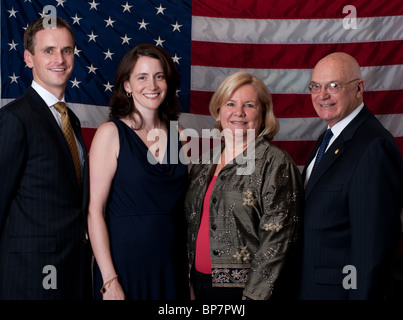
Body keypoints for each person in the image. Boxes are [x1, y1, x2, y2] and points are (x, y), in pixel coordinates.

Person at [184, 71, 304, 300]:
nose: (238, 112)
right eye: (230, 103)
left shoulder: (275, 163)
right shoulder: (203, 163)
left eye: (249, 105)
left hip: (245, 291)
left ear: (263, 114)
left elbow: (278, 242)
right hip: (198, 284)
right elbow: (190, 226)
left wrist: (253, 296)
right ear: (218, 112)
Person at [88, 43, 189, 300]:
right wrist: (109, 280)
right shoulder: (110, 134)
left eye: (159, 76)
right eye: (142, 77)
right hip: (125, 267)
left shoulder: (179, 136)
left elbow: (182, 212)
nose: (152, 85)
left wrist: (188, 278)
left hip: (171, 264)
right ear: (127, 85)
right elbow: (94, 211)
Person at [298, 52, 403, 300]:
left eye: (334, 85)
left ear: (359, 88)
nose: (322, 95)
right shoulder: (328, 138)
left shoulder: (373, 146)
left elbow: (373, 249)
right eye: (316, 86)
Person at [0, 17, 91, 299]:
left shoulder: (70, 120)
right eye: (48, 50)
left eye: (66, 50)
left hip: (72, 268)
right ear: (29, 58)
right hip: (29, 275)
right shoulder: (14, 118)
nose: (59, 59)